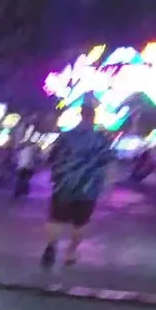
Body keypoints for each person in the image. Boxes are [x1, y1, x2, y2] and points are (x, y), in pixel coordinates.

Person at [42, 100, 113, 267]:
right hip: (88, 188)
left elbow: (51, 158)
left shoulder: (66, 136)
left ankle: (51, 247)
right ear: (93, 117)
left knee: (56, 219)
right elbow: (106, 162)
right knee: (80, 223)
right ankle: (70, 253)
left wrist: (58, 172)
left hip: (64, 185)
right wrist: (105, 185)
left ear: (80, 115)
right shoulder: (101, 139)